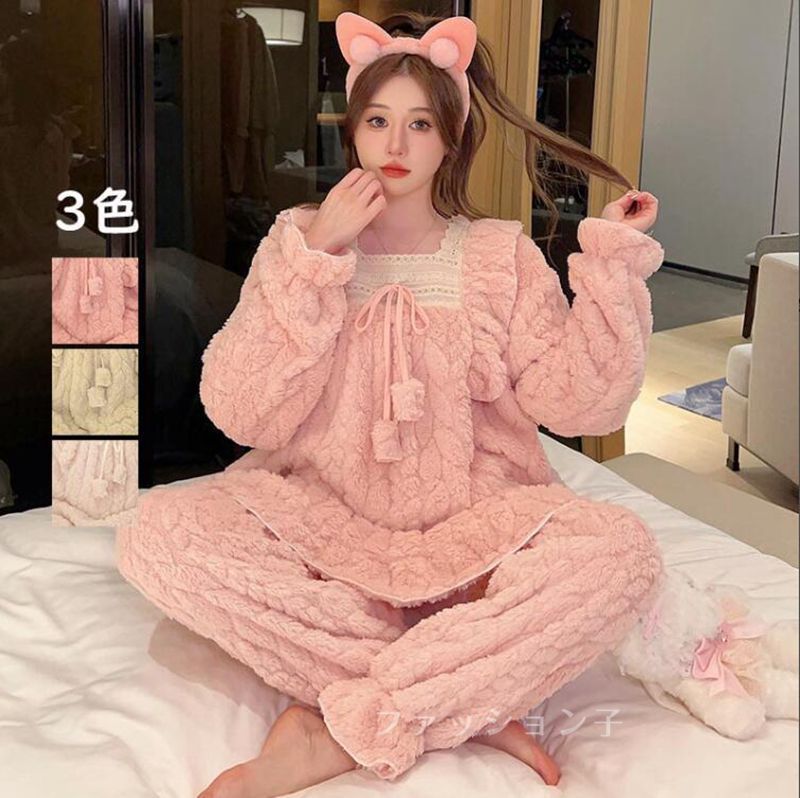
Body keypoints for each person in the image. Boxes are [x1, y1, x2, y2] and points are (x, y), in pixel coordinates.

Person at [116, 11, 665, 797]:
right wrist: (317, 258)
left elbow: (581, 405)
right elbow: (241, 412)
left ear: (451, 138)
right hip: (325, 533)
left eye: (420, 124)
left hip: (475, 537)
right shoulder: (297, 239)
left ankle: (356, 718)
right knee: (157, 534)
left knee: (622, 552)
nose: (396, 145)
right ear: (353, 130)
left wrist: (611, 270)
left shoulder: (498, 255)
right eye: (377, 121)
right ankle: (455, 693)